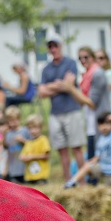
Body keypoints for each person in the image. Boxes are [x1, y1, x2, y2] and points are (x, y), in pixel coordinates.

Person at [39, 34, 86, 182]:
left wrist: (51, 86)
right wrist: (60, 85)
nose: (53, 49)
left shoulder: (70, 63)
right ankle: (69, 181)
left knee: (76, 148)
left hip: (72, 110)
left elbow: (69, 85)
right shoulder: (46, 69)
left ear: (61, 46)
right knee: (62, 150)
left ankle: (82, 182)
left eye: (55, 45)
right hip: (55, 113)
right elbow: (41, 92)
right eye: (50, 46)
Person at [59, 46, 110, 160]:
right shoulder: (86, 77)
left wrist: (71, 88)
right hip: (90, 123)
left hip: (100, 123)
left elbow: (92, 103)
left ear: (92, 58)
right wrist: (71, 89)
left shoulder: (97, 74)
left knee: (97, 160)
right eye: (80, 58)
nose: (83, 61)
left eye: (86, 57)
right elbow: (82, 102)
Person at [65, 113, 111, 188]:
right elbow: (98, 155)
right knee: (87, 166)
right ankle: (72, 182)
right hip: (103, 168)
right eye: (101, 124)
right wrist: (92, 162)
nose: (104, 127)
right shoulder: (100, 139)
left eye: (107, 124)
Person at [2, 105, 31, 183]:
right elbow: (5, 146)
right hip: (12, 166)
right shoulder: (8, 133)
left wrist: (23, 140)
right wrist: (4, 135)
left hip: (24, 166)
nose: (12, 124)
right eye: (9, 121)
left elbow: (32, 145)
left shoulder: (24, 131)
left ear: (19, 119)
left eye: (14, 121)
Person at [20, 114, 51, 185]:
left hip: (41, 176)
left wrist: (32, 157)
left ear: (40, 127)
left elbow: (46, 156)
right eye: (30, 128)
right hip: (30, 177)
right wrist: (23, 158)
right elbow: (22, 155)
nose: (33, 131)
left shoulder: (43, 140)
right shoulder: (28, 142)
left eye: (35, 128)